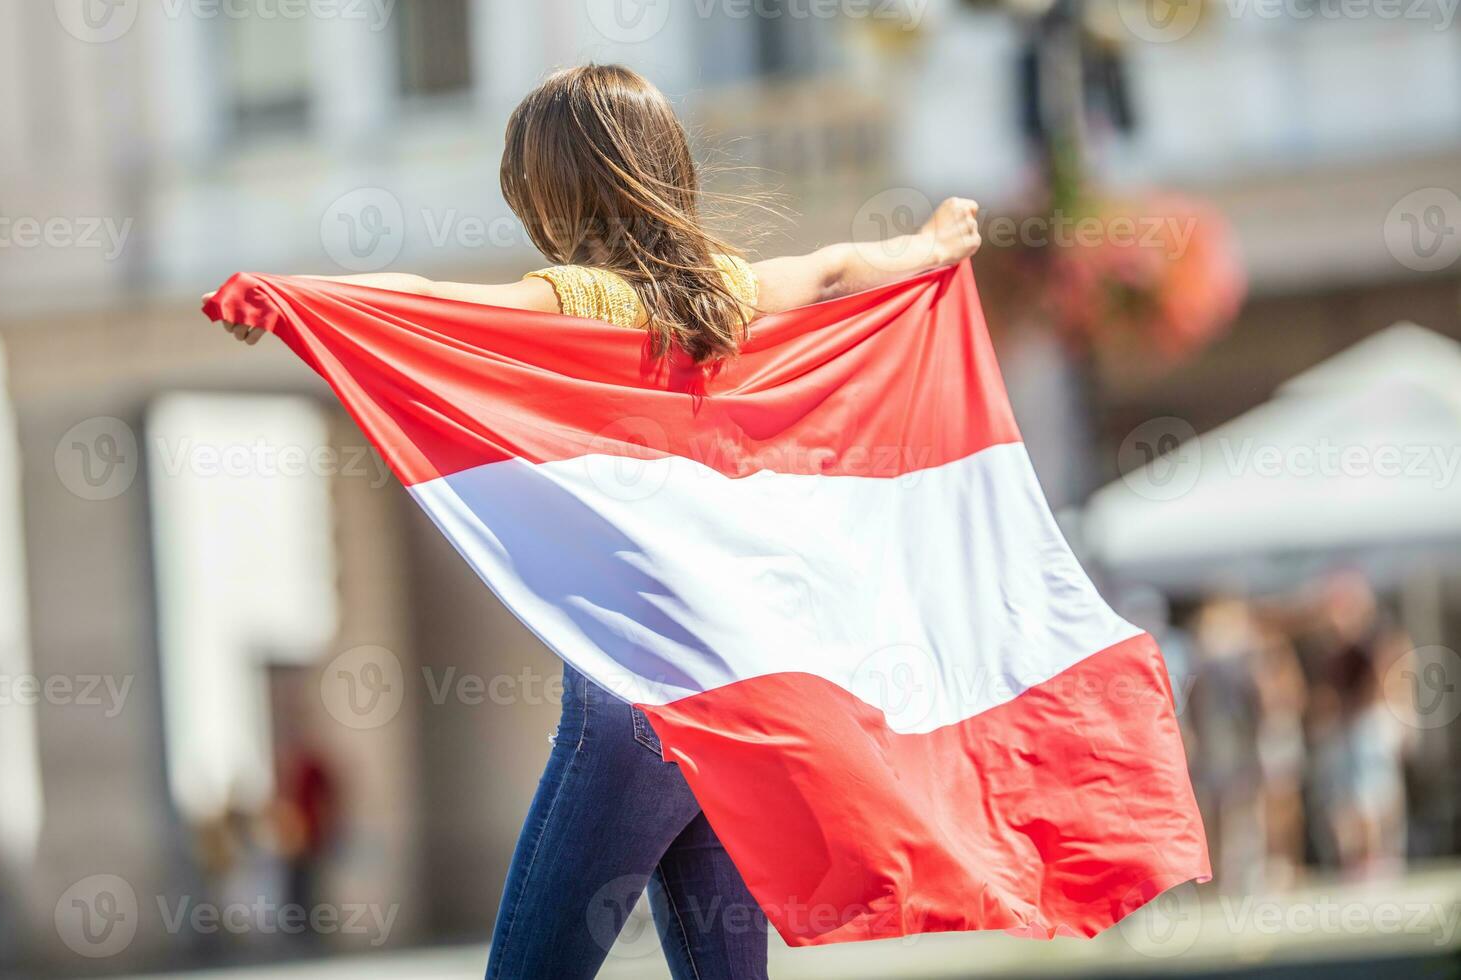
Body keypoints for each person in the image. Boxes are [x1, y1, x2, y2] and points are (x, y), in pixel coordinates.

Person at [210, 63, 981, 980]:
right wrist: (931, 243)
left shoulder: (582, 301)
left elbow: (432, 304)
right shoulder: (727, 297)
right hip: (735, 699)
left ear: (550, 189)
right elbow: (834, 269)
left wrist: (295, 299)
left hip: (633, 712)